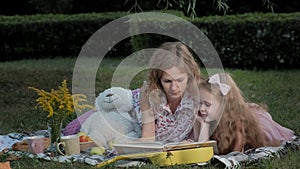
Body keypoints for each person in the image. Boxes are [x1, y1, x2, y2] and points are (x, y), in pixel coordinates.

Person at [194, 73, 295, 154]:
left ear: (223, 106)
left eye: (207, 104)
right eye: (200, 103)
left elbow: (237, 153)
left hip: (260, 129)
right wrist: (204, 124)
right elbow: (201, 147)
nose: (201, 108)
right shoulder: (206, 117)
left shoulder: (237, 121)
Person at [139, 41, 202, 143]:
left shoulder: (198, 94)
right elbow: (147, 138)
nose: (174, 88)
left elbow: (201, 140)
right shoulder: (148, 95)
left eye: (180, 80)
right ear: (158, 79)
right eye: (167, 81)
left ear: (189, 76)